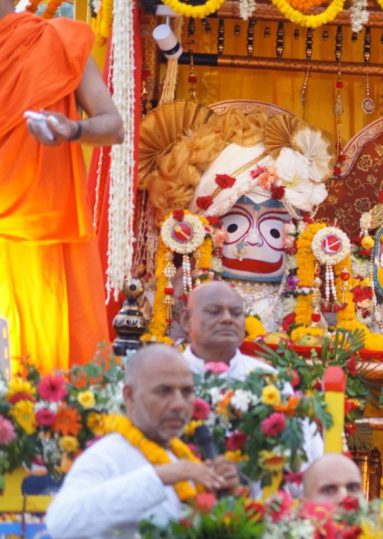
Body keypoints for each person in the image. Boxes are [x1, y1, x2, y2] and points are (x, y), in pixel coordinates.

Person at [0, 3, 123, 375]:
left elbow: (113, 126)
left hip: (37, 227)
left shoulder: (51, 40)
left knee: (38, 356)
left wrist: (72, 129)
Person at [45, 345, 239, 538]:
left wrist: (223, 498)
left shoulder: (180, 458)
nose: (179, 403)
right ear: (129, 396)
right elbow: (61, 523)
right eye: (164, 391)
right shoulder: (106, 456)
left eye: (186, 392)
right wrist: (161, 476)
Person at [180, 281, 324, 464]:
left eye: (236, 313)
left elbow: (308, 458)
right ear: (186, 320)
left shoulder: (269, 380)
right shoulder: (167, 377)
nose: (227, 319)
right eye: (214, 311)